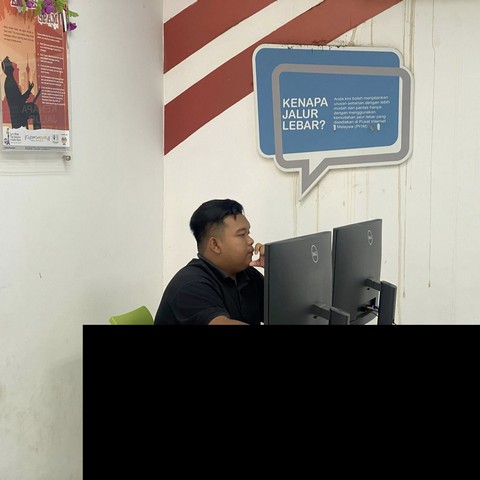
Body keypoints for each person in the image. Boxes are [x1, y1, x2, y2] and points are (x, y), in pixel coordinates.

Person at [154, 199, 265, 325]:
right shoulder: (191, 284)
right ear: (215, 245)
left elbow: (279, 309)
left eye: (248, 233)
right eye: (241, 234)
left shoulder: (246, 274)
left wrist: (275, 267)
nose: (250, 240)